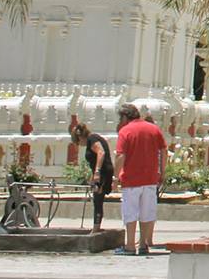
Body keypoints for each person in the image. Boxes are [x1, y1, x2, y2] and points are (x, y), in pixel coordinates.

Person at [112, 104, 166, 256]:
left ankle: (130, 245)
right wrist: (163, 171)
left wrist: (115, 177)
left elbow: (120, 156)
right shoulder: (153, 129)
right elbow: (163, 150)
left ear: (125, 117)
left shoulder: (125, 131)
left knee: (130, 212)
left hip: (131, 179)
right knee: (146, 212)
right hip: (150, 178)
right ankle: (143, 244)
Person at [69, 121, 114, 230]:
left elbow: (101, 152)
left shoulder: (92, 139)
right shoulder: (93, 139)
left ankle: (96, 228)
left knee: (98, 200)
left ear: (80, 137)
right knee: (97, 200)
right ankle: (96, 227)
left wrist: (97, 172)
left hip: (103, 173)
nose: (80, 144)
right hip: (101, 173)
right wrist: (92, 176)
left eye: (78, 142)